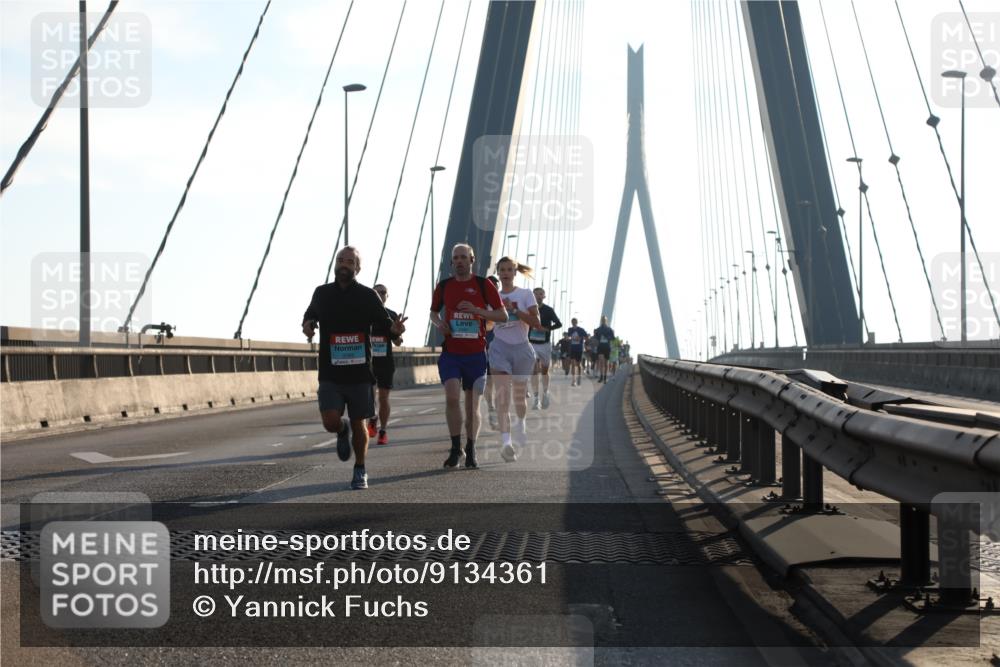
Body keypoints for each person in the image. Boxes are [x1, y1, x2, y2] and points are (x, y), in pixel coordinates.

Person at [302, 246, 406, 490]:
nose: (344, 264)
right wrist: (307, 325)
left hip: (360, 373)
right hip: (330, 371)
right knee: (329, 420)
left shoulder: (368, 296)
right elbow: (309, 315)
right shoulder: (322, 293)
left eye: (349, 261)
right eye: (340, 260)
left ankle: (360, 468)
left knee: (360, 421)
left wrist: (395, 330)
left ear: (357, 268)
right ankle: (341, 429)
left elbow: (386, 324)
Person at [430, 244, 506, 469]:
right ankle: (456, 449)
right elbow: (433, 313)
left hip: (475, 355)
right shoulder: (443, 287)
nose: (460, 261)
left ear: (472, 260)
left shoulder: (483, 285)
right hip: (451, 353)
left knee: (472, 406)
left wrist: (478, 311)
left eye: (464, 257)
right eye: (456, 258)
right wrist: (440, 323)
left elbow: (501, 315)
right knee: (452, 397)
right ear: (452, 262)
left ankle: (471, 449)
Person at [489, 257, 542, 462]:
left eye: (509, 270)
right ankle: (506, 443)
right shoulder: (492, 296)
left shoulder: (525, 294)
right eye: (502, 270)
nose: (505, 273)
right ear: (498, 272)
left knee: (519, 398)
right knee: (502, 397)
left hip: (522, 349)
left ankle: (521, 423)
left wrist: (514, 310)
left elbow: (536, 323)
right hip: (500, 348)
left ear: (515, 272)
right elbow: (487, 325)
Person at [368, 283, 403, 445]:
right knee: (368, 395)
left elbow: (397, 342)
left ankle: (383, 430)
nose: (380, 294)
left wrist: (398, 333)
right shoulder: (364, 313)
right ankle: (372, 416)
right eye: (376, 292)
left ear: (387, 296)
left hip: (385, 362)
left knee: (383, 397)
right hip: (367, 362)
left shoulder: (391, 315)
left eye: (383, 292)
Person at [529, 287, 562, 410]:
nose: (538, 296)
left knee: (544, 371)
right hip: (531, 343)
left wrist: (547, 329)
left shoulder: (548, 310)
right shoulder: (528, 309)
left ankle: (546, 393)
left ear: (544, 296)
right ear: (532, 296)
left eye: (540, 294)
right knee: (534, 370)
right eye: (536, 294)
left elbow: (559, 324)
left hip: (544, 344)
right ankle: (536, 399)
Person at [483, 275, 501, 430]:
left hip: (503, 348)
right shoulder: (479, 302)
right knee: (489, 381)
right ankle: (491, 407)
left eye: (495, 285)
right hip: (486, 347)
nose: (493, 287)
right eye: (490, 284)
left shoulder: (504, 302)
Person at [565, 318, 588, 386]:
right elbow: (568, 337)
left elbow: (586, 337)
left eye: (575, 322)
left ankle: (579, 377)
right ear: (571, 322)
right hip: (572, 348)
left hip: (579, 348)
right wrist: (569, 338)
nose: (574, 323)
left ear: (577, 322)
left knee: (578, 364)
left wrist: (580, 338)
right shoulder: (570, 329)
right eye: (572, 322)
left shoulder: (581, 330)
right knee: (573, 364)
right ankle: (573, 380)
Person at [593, 316, 615, 383]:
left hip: (607, 347)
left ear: (606, 321)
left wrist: (607, 337)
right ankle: (601, 377)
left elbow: (613, 338)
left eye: (604, 320)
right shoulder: (598, 329)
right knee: (601, 362)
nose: (603, 321)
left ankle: (605, 377)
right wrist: (597, 340)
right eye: (602, 320)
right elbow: (595, 337)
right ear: (601, 321)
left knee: (606, 363)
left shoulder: (610, 329)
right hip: (600, 347)